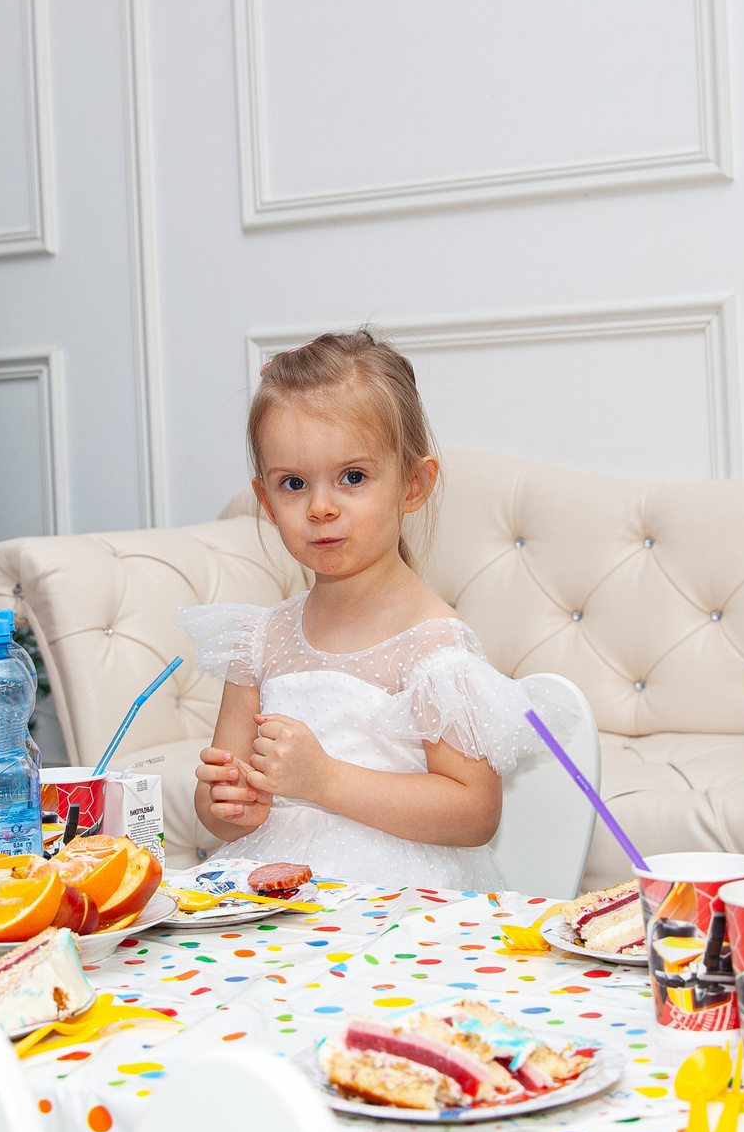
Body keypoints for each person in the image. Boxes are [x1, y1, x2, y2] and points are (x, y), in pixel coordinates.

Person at [186, 331, 570, 891]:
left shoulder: (433, 647)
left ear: (413, 484)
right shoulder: (257, 643)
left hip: (398, 902)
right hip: (272, 898)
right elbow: (219, 801)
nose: (321, 507)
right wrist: (228, 801)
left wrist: (324, 779)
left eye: (353, 477)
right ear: (266, 501)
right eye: (294, 484)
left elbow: (474, 815)